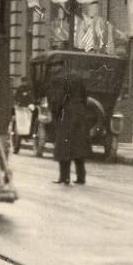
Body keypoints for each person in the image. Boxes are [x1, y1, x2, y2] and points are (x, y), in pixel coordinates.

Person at [46, 55, 91, 185]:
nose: (51, 70)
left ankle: (64, 177)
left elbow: (57, 100)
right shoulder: (77, 76)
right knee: (78, 146)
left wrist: (55, 114)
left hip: (66, 114)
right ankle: (81, 177)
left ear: (57, 66)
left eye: (52, 67)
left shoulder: (58, 79)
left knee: (63, 147)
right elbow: (84, 96)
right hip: (80, 114)